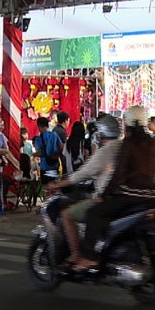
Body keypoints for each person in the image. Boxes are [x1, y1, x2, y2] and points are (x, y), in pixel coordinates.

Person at [77, 106, 155, 271]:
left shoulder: (129, 144)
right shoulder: (154, 143)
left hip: (130, 195)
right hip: (153, 196)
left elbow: (118, 175)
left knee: (94, 213)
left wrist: (105, 194)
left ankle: (89, 257)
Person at [48, 114, 123, 266]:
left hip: (105, 198)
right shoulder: (123, 147)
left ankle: (77, 255)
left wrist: (57, 184)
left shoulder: (104, 151)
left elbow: (82, 174)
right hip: (122, 197)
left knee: (67, 214)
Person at [32, 117, 63, 185]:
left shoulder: (38, 139)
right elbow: (61, 146)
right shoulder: (54, 135)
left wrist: (33, 154)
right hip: (54, 165)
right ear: (47, 125)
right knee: (54, 187)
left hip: (45, 167)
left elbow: (40, 153)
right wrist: (56, 154)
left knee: (46, 188)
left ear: (39, 126)